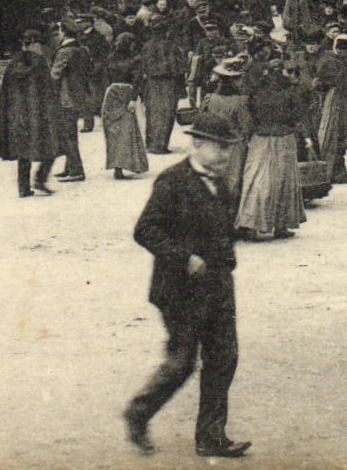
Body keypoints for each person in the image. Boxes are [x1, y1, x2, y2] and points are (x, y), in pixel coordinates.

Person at [123, 113, 251, 459]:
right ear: (196, 144)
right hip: (179, 290)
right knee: (181, 362)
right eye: (219, 147)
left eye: (229, 148)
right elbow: (145, 230)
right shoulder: (172, 181)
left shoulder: (222, 183)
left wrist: (226, 260)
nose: (226, 155)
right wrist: (185, 257)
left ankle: (211, 437)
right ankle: (138, 413)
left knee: (224, 358)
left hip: (217, 286)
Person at [234, 59, 306, 240]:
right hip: (283, 137)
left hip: (262, 138)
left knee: (258, 179)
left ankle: (252, 224)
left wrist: (250, 131)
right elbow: (298, 114)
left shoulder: (256, 91)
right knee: (284, 181)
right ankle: (280, 225)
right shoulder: (290, 91)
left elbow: (248, 113)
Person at [0, 30, 58, 198]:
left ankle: (23, 188)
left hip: (18, 113)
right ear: (35, 44)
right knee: (52, 145)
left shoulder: (13, 63)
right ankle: (40, 179)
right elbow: (48, 88)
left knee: (23, 151)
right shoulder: (40, 62)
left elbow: (4, 90)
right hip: (38, 111)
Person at [315, 33, 347, 185]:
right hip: (335, 100)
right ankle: (330, 171)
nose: (342, 51)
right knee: (333, 132)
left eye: (345, 48)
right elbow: (320, 81)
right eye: (340, 47)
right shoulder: (328, 60)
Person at [102, 32, 150, 180]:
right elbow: (137, 80)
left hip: (111, 94)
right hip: (126, 93)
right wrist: (133, 98)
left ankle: (117, 165)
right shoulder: (135, 59)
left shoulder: (111, 57)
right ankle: (128, 164)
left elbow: (105, 76)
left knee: (113, 131)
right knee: (128, 131)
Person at [48, 27, 90, 182]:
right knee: (71, 133)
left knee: (68, 135)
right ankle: (69, 167)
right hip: (80, 96)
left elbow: (54, 76)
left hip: (66, 98)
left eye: (59, 32)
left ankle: (76, 170)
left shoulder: (63, 52)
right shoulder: (82, 50)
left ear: (64, 34)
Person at [140, 21, 188, 154]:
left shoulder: (147, 46)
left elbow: (143, 67)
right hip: (168, 84)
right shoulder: (172, 46)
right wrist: (182, 87)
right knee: (166, 114)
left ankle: (151, 144)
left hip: (152, 84)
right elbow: (179, 68)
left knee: (152, 113)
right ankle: (161, 145)